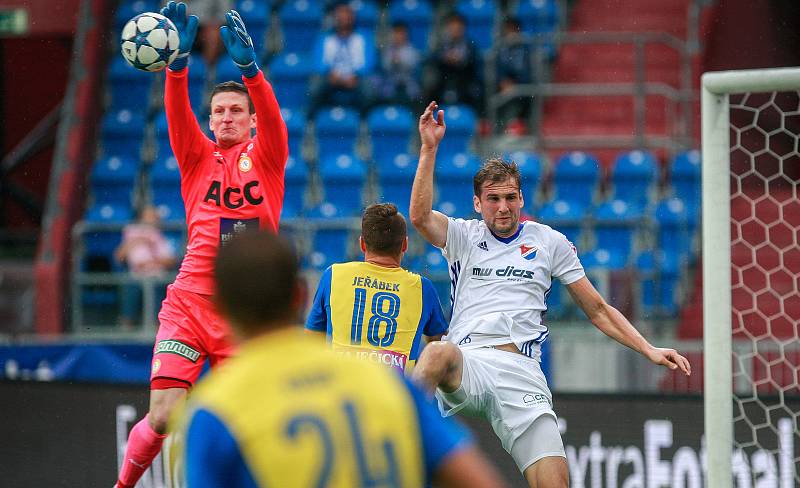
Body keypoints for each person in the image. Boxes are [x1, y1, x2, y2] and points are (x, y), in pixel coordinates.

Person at [408, 101, 692, 488]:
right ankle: (398, 438)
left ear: (522, 199)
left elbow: (598, 309)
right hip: (469, 362)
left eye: (510, 197)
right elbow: (420, 217)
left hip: (522, 373)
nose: (503, 207)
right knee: (437, 352)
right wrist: (429, 149)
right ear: (478, 204)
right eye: (493, 199)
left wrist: (648, 349)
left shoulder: (548, 242)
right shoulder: (463, 236)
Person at [171, 230, 508, 488]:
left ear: (217, 307)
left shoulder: (215, 408)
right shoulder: (390, 383)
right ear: (299, 296)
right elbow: (474, 477)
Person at [114, 3, 288, 487]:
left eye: (236, 111)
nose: (227, 117)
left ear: (252, 121)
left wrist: (252, 73)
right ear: (209, 120)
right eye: (218, 112)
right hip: (189, 303)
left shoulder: (269, 156)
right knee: (165, 414)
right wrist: (176, 67)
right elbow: (175, 114)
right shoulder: (195, 158)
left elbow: (273, 116)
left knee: (249, 427)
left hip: (243, 310)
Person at [305, 203, 448, 374]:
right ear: (405, 245)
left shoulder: (334, 275)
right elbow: (439, 348)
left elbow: (311, 340)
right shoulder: (422, 288)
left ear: (362, 244)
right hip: (396, 394)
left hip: (341, 389)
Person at [308, 2, 376, 117]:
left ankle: (364, 122)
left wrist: (356, 76)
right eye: (340, 14)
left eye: (347, 13)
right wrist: (330, 74)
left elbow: (369, 62)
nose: (344, 17)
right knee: (314, 86)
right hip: (331, 78)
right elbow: (318, 62)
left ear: (352, 17)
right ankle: (313, 121)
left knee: (369, 89)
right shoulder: (325, 38)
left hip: (355, 79)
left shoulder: (363, 38)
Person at [114, 205, 177, 328]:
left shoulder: (162, 236)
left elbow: (171, 261)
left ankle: (157, 325)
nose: (153, 219)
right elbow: (118, 257)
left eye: (154, 216)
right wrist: (136, 242)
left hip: (158, 274)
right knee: (131, 285)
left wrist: (153, 261)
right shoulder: (131, 232)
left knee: (156, 286)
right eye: (149, 216)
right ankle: (127, 323)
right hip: (136, 274)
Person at [423, 13, 483, 115]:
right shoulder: (441, 45)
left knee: (477, 93)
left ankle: (478, 123)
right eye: (452, 27)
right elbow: (432, 59)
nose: (455, 30)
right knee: (429, 92)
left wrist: (461, 61)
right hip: (444, 80)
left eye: (458, 27)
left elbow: (475, 63)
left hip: (464, 81)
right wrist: (444, 58)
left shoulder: (470, 45)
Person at [494, 18, 534, 135]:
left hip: (522, 86)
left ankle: (521, 124)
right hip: (502, 86)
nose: (511, 34)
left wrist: (515, 84)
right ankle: (498, 128)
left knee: (527, 94)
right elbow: (494, 69)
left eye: (513, 30)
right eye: (508, 30)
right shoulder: (499, 49)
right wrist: (502, 81)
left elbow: (529, 72)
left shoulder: (526, 49)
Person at [371, 21, 422, 108]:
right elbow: (384, 67)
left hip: (408, 84)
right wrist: (392, 61)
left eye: (401, 33)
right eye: (396, 33)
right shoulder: (387, 50)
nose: (398, 36)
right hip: (390, 83)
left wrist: (400, 61)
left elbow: (413, 67)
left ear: (406, 35)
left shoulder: (412, 50)